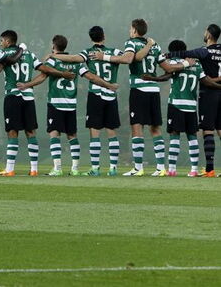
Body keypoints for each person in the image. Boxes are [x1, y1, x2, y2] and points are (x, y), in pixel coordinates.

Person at [0, 30, 75, 176]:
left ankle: (10, 169)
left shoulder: (5, 54)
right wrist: (63, 74)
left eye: (2, 41)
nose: (1, 43)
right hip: (28, 97)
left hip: (13, 95)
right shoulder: (29, 54)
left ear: (7, 41)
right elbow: (45, 69)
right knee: (31, 132)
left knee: (12, 132)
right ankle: (34, 169)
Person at [18, 35, 115, 176]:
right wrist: (108, 85)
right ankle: (75, 169)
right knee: (72, 136)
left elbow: (42, 76)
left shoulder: (53, 60)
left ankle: (57, 168)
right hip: (71, 104)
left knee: (54, 134)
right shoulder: (76, 62)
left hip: (56, 103)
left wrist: (27, 85)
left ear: (53, 46)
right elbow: (91, 77)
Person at [91, 19, 173, 176]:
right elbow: (168, 68)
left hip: (139, 89)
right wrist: (183, 65)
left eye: (130, 29)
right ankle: (161, 168)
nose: (129, 31)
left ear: (135, 30)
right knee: (155, 128)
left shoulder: (131, 43)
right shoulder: (155, 45)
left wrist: (104, 57)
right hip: (154, 90)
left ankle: (138, 168)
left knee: (137, 127)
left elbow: (128, 59)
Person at [50, 26, 123, 176]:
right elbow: (127, 58)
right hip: (111, 94)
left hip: (96, 94)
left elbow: (73, 59)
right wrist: (107, 58)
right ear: (104, 36)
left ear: (91, 38)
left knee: (94, 132)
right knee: (111, 132)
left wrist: (53, 56)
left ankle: (95, 168)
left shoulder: (88, 52)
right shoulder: (115, 51)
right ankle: (113, 168)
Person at [166, 24, 221, 176]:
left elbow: (186, 53)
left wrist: (167, 55)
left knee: (207, 129)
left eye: (205, 31)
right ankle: (198, 169)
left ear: (208, 34)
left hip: (208, 93)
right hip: (219, 92)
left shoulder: (204, 51)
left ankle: (209, 169)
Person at [148, 40, 206, 177]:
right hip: (191, 106)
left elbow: (167, 75)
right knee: (192, 137)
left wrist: (153, 79)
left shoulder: (174, 63)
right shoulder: (196, 64)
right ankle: (194, 169)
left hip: (176, 104)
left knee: (175, 136)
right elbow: (205, 80)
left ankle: (172, 169)